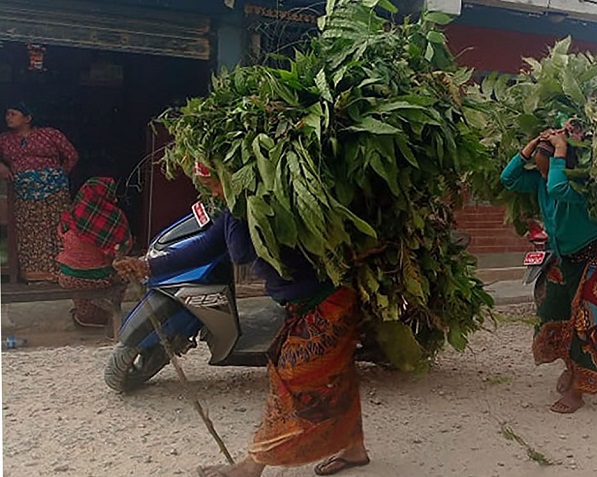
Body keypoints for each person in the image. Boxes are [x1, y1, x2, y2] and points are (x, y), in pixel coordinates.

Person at [113, 161, 371, 477]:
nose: (213, 192)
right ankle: (354, 449)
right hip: (302, 305)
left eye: (215, 184)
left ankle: (251, 467)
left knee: (291, 380)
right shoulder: (237, 209)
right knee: (338, 376)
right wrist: (147, 266)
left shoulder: (269, 206)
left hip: (329, 303)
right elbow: (205, 246)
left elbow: (240, 253)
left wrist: (238, 205)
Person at [500, 128, 597, 414]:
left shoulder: (581, 187)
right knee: (556, 312)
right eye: (538, 165)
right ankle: (570, 366)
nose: (541, 172)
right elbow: (508, 179)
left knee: (590, 323)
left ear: (563, 162)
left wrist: (561, 151)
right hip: (564, 259)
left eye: (545, 164)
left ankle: (581, 387)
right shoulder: (543, 181)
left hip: (595, 259)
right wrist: (530, 146)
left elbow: (557, 188)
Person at [0, 103, 79, 282]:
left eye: (13, 114)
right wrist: (2, 166)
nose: (8, 118)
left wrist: (57, 176)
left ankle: (62, 271)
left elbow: (71, 155)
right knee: (30, 230)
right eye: (7, 114)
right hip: (24, 194)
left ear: (28, 118)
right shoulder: (4, 139)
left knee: (57, 228)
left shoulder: (50, 134)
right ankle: (36, 273)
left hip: (55, 191)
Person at [56, 177, 132, 328]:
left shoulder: (70, 213)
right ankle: (103, 315)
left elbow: (61, 237)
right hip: (100, 279)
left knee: (77, 270)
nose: (115, 199)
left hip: (67, 278)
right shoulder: (115, 217)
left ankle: (85, 315)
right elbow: (124, 248)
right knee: (125, 273)